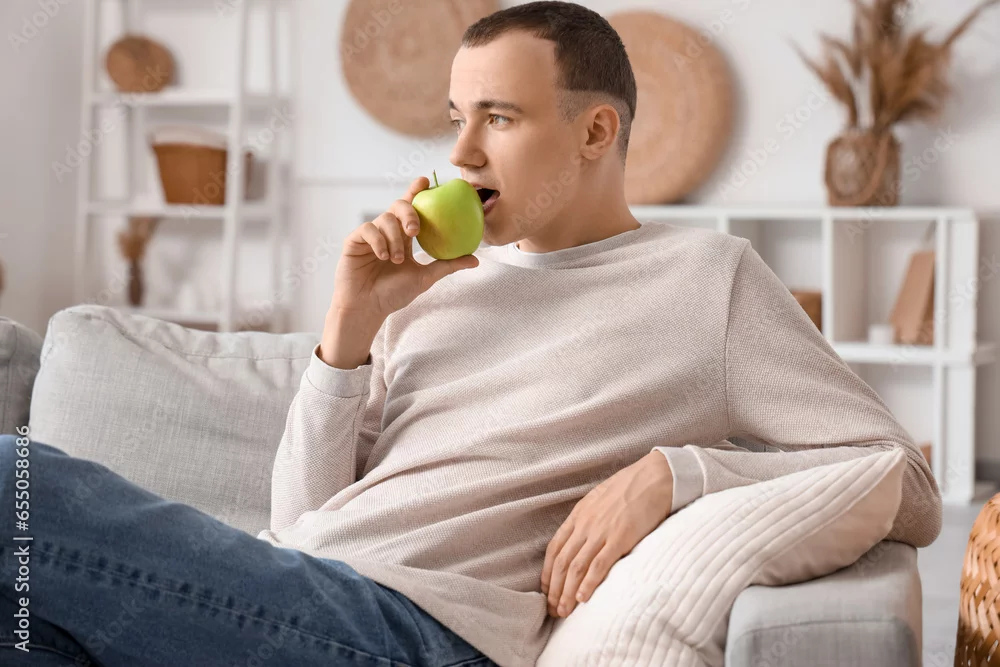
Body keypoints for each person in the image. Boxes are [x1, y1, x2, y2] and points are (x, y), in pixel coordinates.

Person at [0, 2, 942, 666]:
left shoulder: (706, 280)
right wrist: (348, 332)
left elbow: (902, 480)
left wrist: (677, 475)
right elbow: (299, 521)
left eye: (499, 117)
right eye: (457, 118)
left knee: (16, 478)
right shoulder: (431, 285)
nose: (460, 153)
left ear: (595, 132)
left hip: (418, 634)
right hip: (301, 596)